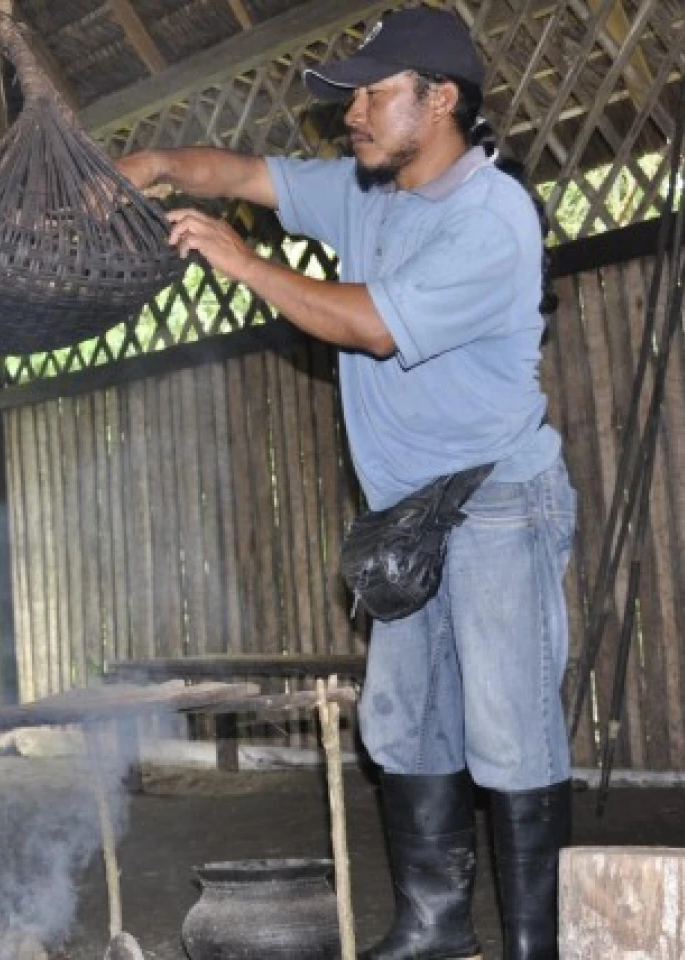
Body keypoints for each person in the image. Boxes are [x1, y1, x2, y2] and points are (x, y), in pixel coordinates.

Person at [116, 8, 574, 960]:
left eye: (373, 95)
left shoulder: (491, 217)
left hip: (496, 504)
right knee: (403, 727)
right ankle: (435, 928)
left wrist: (243, 261)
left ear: (439, 100)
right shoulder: (368, 193)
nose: (351, 114)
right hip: (406, 520)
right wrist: (155, 163)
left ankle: (540, 947)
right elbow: (242, 174)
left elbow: (371, 325)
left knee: (510, 735)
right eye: (351, 98)